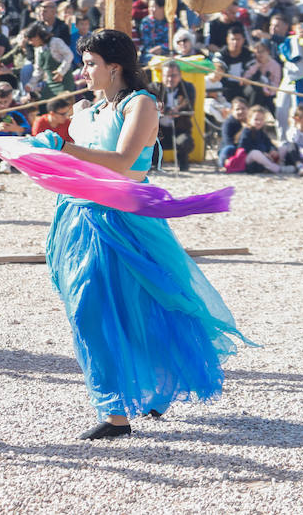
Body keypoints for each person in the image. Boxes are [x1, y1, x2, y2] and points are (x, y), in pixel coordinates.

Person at [37, 29, 247, 439]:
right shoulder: (86, 107)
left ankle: (135, 399)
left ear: (114, 67)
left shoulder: (142, 104)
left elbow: (121, 162)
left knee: (136, 306)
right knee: (92, 308)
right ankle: (128, 401)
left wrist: (61, 148)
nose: (83, 72)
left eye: (90, 64)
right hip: (79, 216)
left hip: (127, 217)